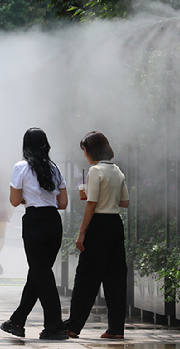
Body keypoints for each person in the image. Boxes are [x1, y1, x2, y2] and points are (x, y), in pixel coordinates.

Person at [0, 127, 69, 340]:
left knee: (42, 274)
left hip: (34, 222)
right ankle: (17, 322)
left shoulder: (21, 167)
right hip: (54, 223)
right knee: (39, 273)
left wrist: (26, 199)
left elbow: (13, 200)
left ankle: (55, 326)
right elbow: (63, 203)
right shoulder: (54, 168)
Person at [64, 131, 129, 340]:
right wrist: (108, 198)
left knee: (86, 277)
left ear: (90, 150)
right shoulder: (117, 171)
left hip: (98, 225)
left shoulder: (95, 171)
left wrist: (82, 232)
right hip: (115, 225)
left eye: (84, 150)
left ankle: (73, 326)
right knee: (115, 278)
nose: (84, 154)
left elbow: (91, 204)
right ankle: (116, 329)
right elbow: (125, 202)